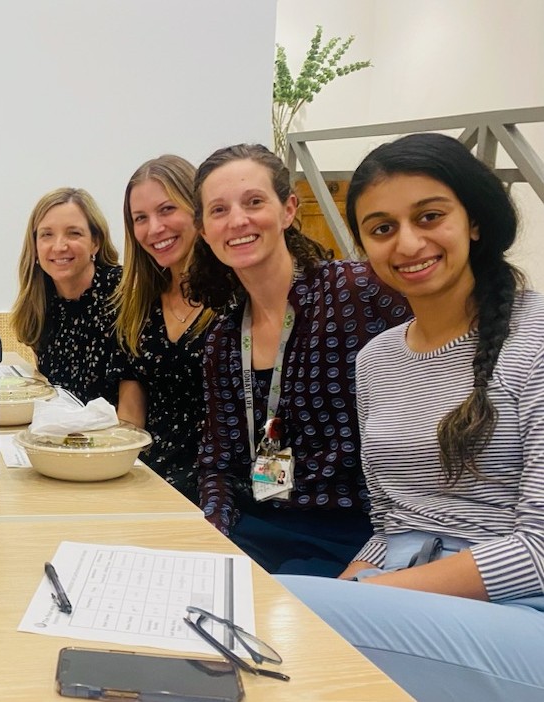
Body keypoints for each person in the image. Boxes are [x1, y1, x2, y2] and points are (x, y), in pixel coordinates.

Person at [279, 133, 544, 701]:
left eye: (429, 216)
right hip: (404, 597)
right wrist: (353, 587)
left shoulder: (535, 341)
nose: (408, 242)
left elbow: (540, 550)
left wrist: (371, 598)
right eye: (381, 228)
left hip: (520, 612)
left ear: (474, 221)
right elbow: (390, 523)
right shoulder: (377, 359)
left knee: (267, 608)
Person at [186, 144, 411, 575]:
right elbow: (219, 464)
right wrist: (210, 532)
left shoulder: (359, 293)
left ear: (288, 210)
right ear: (204, 230)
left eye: (254, 202)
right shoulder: (223, 340)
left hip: (359, 532)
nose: (237, 220)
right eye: (218, 210)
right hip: (264, 522)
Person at [111, 156, 215, 501]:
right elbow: (130, 415)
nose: (154, 228)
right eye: (141, 218)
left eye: (167, 209)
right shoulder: (139, 304)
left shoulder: (234, 297)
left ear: (197, 209)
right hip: (150, 480)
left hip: (219, 487)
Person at [10, 187, 122, 406]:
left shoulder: (122, 293)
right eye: (47, 235)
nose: (59, 246)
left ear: (95, 242)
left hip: (117, 434)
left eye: (74, 233)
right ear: (34, 245)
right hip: (64, 432)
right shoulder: (39, 300)